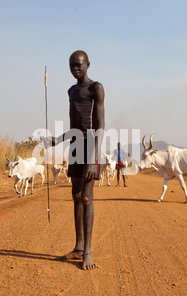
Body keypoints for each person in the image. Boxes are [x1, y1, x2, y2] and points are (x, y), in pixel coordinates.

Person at [48, 50, 105, 270]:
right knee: (75, 196)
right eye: (72, 66)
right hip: (74, 146)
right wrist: (58, 140)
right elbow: (74, 127)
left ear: (88, 64)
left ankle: (88, 252)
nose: (76, 69)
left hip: (91, 146)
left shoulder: (96, 88)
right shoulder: (71, 90)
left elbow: (99, 126)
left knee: (87, 198)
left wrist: (93, 159)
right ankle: (78, 247)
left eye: (79, 65)